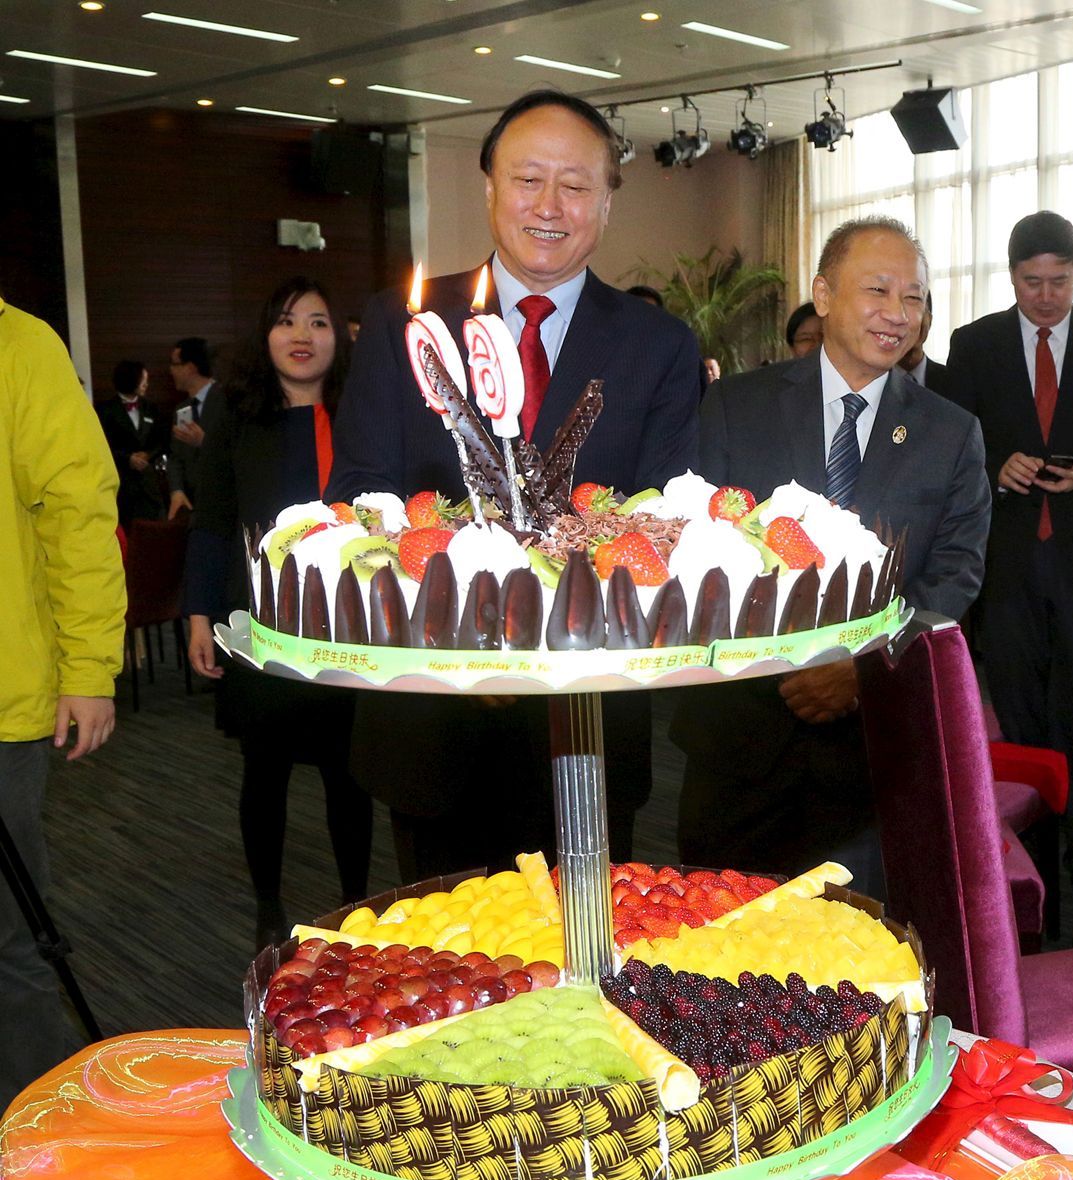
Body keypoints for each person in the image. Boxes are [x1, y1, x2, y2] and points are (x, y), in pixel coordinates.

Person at [328, 88, 703, 881]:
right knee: (441, 971)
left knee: (587, 967)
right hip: (431, 714)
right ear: (490, 187)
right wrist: (473, 637)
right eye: (529, 179)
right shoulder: (404, 324)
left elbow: (662, 522)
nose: (550, 205)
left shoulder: (659, 346)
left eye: (576, 185)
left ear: (606, 201)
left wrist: (531, 637)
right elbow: (363, 498)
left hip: (588, 722)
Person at [675, 218, 990, 879]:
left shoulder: (950, 431)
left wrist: (862, 667)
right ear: (822, 294)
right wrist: (786, 659)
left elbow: (955, 575)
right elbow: (695, 548)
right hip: (743, 736)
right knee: (723, 948)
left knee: (862, 955)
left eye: (915, 298)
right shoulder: (735, 406)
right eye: (878, 290)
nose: (898, 314)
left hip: (874, 755)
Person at [939, 210, 1073, 857]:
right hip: (1006, 562)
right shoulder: (974, 344)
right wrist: (996, 464)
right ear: (1012, 277)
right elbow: (952, 443)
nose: (1046, 295)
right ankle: (1022, 851)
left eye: (1059, 281)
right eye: (1033, 281)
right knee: (1019, 710)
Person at [185, 278, 373, 948]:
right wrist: (199, 613)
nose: (302, 336)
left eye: (318, 322)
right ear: (265, 336)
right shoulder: (239, 416)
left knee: (349, 776)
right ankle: (269, 906)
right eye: (287, 322)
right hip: (259, 625)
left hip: (347, 627)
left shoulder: (361, 417)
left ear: (339, 338)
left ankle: (357, 905)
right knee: (262, 772)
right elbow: (211, 521)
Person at [0, 291, 122, 1107]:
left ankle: (33, 1144)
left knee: (8, 942)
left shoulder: (20, 345)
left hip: (3, 705)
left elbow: (78, 515)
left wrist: (88, 666)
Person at [97, 358, 170, 525]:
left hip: (149, 485)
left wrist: (148, 454)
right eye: (143, 380)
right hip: (121, 485)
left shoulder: (151, 408)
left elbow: (162, 440)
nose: (146, 384)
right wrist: (127, 458)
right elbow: (102, 447)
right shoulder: (105, 410)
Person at [164, 336, 216, 520]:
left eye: (174, 364)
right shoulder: (181, 409)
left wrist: (204, 442)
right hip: (192, 508)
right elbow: (175, 457)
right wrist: (176, 490)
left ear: (190, 367)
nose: (170, 370)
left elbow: (241, 450)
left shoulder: (229, 401)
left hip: (223, 503)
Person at [897, 290, 949, 394]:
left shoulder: (952, 380)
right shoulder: (872, 380)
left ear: (929, 320)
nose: (912, 324)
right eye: (904, 314)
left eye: (919, 313)